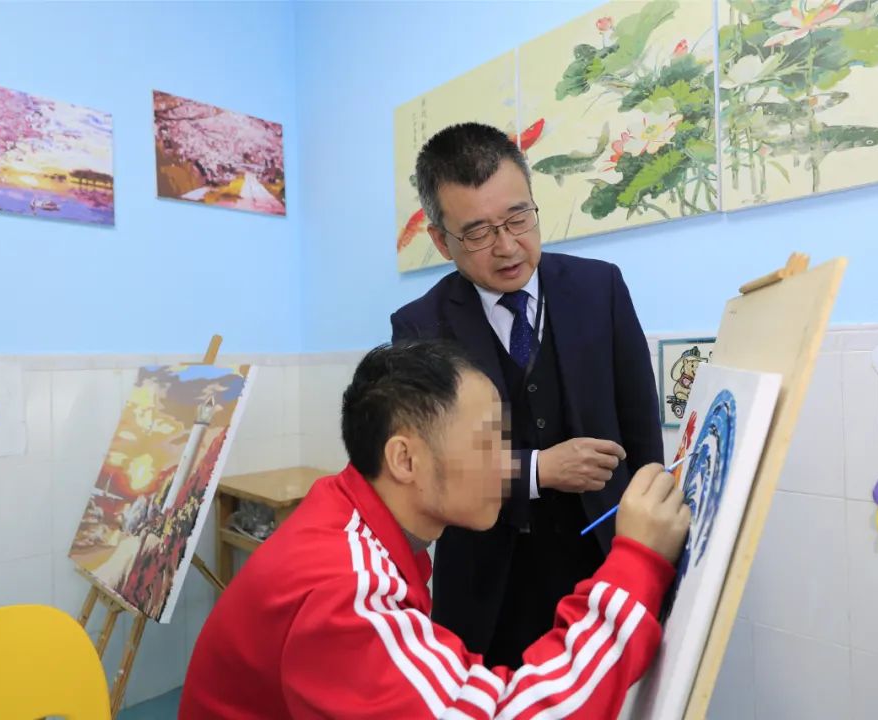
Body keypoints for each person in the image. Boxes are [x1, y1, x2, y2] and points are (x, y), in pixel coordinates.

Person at [179, 340, 690, 719]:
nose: (508, 463)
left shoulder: (346, 512)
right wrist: (637, 562)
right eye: (488, 442)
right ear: (405, 459)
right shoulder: (344, 590)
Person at [391, 122, 663, 667]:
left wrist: (654, 550)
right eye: (478, 233)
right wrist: (540, 470)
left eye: (519, 218)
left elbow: (642, 431)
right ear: (442, 241)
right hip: (487, 591)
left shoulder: (601, 288)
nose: (508, 246)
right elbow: (430, 472)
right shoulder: (419, 326)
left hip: (606, 563)